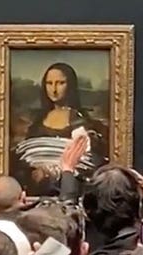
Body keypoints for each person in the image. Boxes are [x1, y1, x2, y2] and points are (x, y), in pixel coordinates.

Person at [12, 62, 108, 195]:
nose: (54, 89)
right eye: (49, 83)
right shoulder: (35, 122)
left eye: (60, 83)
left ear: (71, 85)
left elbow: (90, 159)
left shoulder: (82, 121)